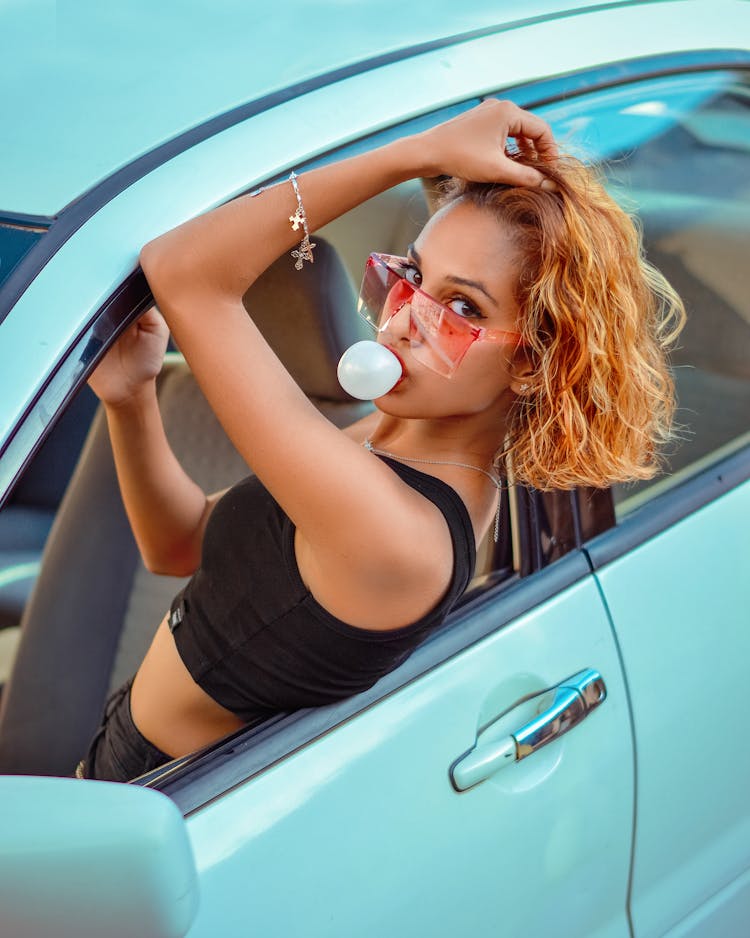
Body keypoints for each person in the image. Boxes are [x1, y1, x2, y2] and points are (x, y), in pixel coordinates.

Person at [77, 100, 684, 782]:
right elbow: (179, 544)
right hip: (118, 746)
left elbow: (185, 269)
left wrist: (416, 151)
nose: (401, 322)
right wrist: (130, 399)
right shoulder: (393, 439)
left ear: (530, 363)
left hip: (149, 791)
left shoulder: (398, 535)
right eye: (414, 276)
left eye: (462, 308)